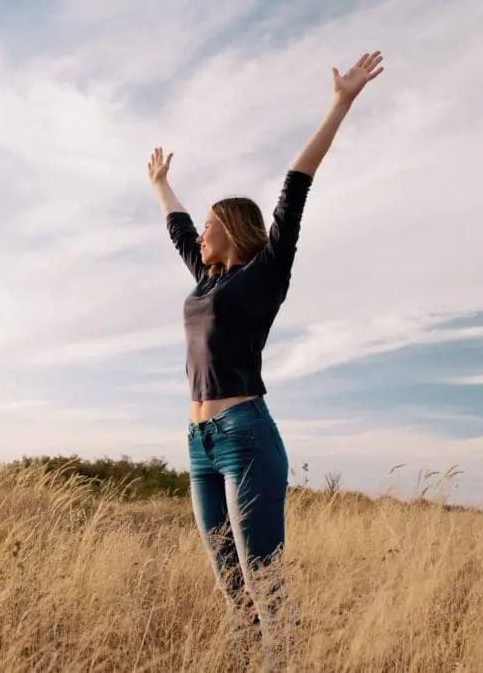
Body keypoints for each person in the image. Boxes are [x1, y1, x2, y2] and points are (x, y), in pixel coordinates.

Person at [147, 51, 385, 657]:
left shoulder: (265, 273)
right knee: (231, 588)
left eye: (208, 223)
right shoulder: (205, 281)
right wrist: (161, 185)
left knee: (264, 585)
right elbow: (178, 230)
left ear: (232, 226)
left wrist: (340, 105)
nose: (198, 233)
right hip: (199, 441)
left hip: (245, 434)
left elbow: (294, 189)